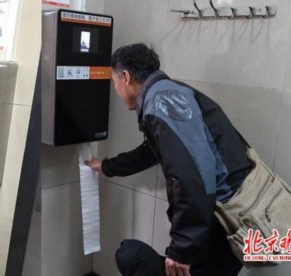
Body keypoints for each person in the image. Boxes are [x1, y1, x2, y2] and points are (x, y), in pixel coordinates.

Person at [85, 43, 252, 276]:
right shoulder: (169, 92)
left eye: (114, 82)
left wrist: (183, 248)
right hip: (230, 216)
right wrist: (106, 166)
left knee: (129, 255)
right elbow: (151, 152)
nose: (116, 89)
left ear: (125, 77)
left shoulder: (163, 103)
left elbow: (192, 175)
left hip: (222, 221)